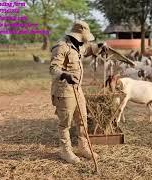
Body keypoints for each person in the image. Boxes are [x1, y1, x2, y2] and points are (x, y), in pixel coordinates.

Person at [50, 20, 106, 164]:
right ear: (75, 35)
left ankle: (83, 147)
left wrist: (99, 47)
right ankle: (65, 151)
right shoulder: (61, 46)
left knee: (82, 119)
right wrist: (65, 75)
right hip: (64, 90)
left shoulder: (77, 45)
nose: (84, 42)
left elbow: (87, 50)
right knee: (65, 123)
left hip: (77, 89)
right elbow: (53, 68)